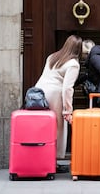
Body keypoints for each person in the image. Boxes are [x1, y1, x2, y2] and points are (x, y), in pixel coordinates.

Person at [34, 35, 82, 172]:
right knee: (57, 129)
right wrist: (68, 110)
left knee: (42, 127)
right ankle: (52, 162)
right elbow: (67, 88)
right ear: (78, 50)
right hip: (55, 95)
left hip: (39, 93)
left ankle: (40, 159)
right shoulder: (73, 64)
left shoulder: (52, 57)